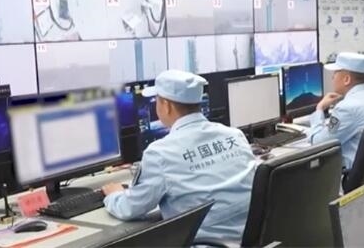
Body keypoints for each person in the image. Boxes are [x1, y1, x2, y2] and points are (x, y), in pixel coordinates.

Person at [102, 70, 258, 241]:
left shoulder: (160, 153)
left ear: (166, 106)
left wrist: (114, 195)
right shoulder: (234, 135)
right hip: (253, 240)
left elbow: (130, 208)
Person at [310, 52, 364, 169]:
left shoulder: (346, 108)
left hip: (354, 174)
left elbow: (318, 144)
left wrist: (319, 109)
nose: (332, 77)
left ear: (346, 79)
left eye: (335, 73)